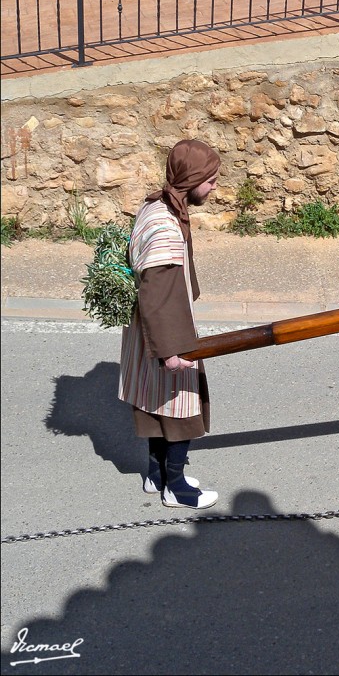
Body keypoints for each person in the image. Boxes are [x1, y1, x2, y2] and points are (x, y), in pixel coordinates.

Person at [118, 139, 221, 509]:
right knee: (180, 407)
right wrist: (171, 352)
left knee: (154, 401)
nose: (214, 186)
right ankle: (176, 488)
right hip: (165, 332)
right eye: (209, 180)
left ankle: (156, 474)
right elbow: (157, 294)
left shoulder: (156, 204)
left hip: (149, 328)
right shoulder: (164, 226)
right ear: (190, 178)